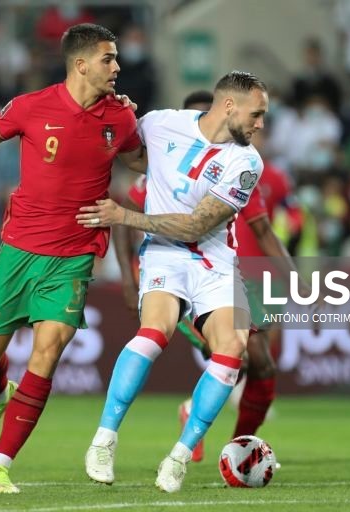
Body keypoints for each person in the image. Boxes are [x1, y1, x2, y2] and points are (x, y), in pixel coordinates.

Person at [0, 23, 144, 494]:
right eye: (108, 59)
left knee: (48, 350)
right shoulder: (31, 107)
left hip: (75, 255)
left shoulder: (120, 119)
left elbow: (141, 162)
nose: (117, 67)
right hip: (19, 251)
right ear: (81, 64)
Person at [79, 71, 268, 492]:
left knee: (233, 347)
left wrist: (125, 216)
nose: (260, 125)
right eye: (256, 115)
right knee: (156, 331)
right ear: (229, 106)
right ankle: (104, 440)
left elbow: (197, 224)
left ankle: (180, 456)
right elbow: (133, 157)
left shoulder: (247, 162)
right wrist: (119, 113)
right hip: (164, 254)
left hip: (215, 260)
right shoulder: (162, 122)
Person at [113, 94, 299, 465]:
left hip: (228, 272)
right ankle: (196, 433)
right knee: (235, 355)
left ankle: (238, 448)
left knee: (261, 363)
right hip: (174, 269)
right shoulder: (164, 165)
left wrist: (293, 278)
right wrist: (127, 278)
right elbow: (125, 215)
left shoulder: (244, 167)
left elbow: (263, 230)